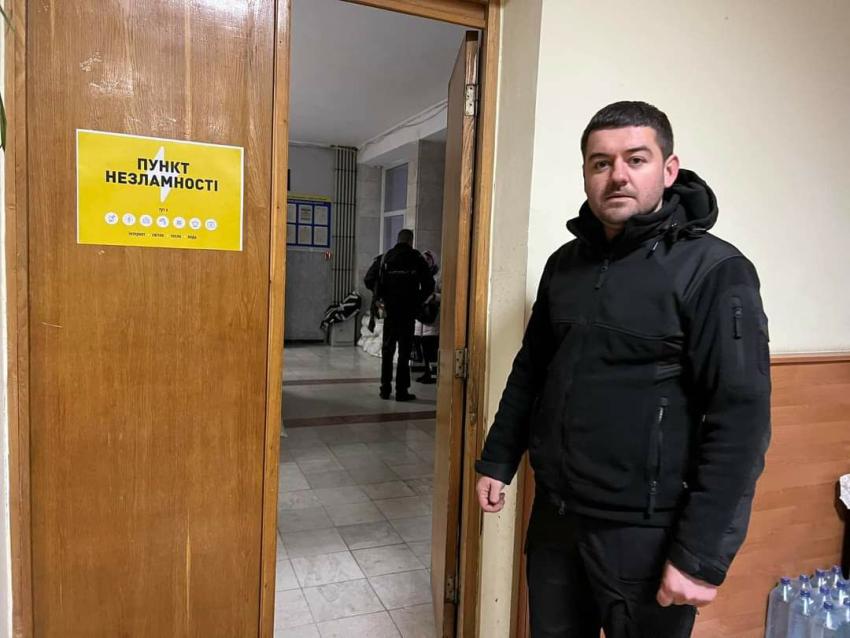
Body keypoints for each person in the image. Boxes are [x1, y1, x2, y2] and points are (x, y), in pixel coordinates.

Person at [475, 101, 771, 638]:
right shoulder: (564, 265)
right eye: (601, 163)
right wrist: (498, 458)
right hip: (556, 520)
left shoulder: (716, 270)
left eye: (636, 159)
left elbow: (741, 420)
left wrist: (700, 554)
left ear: (669, 169)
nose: (617, 176)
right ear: (586, 173)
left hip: (645, 534)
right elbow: (532, 370)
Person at [365, 229, 435, 401]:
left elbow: (368, 279)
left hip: (390, 311)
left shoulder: (385, 257)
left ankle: (385, 389)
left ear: (398, 240)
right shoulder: (416, 258)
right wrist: (417, 300)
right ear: (411, 241)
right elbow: (429, 284)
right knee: (404, 352)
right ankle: (401, 391)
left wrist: (381, 295)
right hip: (408, 313)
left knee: (387, 351)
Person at [414, 250, 441, 385]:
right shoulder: (419, 275)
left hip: (433, 318)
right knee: (424, 350)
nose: (426, 262)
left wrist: (434, 297)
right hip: (421, 319)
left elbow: (445, 295)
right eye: (424, 259)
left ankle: (433, 375)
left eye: (428, 259)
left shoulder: (438, 277)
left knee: (432, 351)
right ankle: (427, 372)